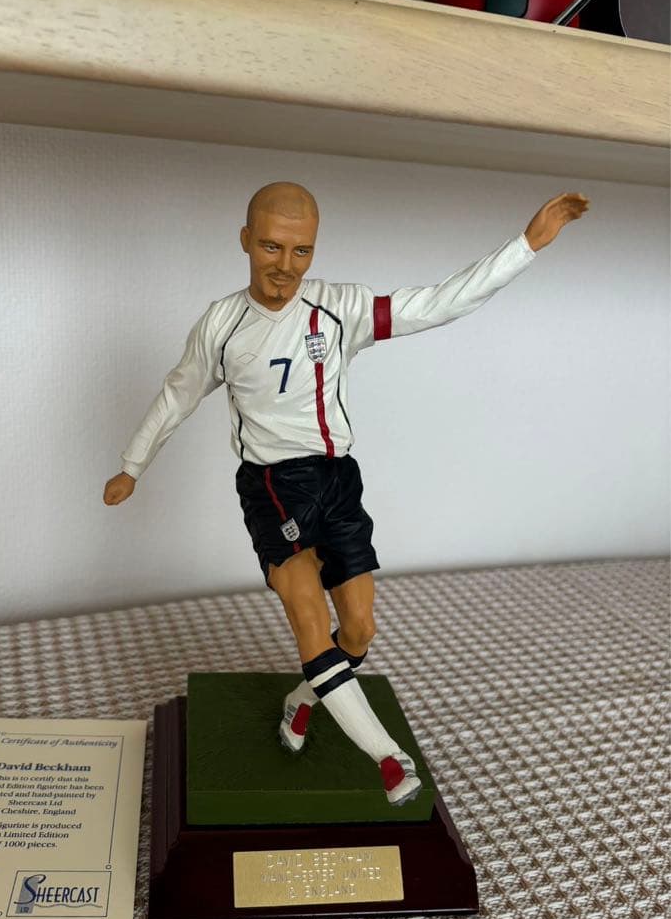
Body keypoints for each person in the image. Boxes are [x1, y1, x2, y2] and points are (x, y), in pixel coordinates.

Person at [103, 182, 590, 805]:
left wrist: (526, 245)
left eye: (301, 250)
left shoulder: (339, 309)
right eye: (271, 247)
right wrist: (133, 464)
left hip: (337, 481)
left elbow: (439, 303)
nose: (285, 266)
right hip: (273, 487)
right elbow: (178, 393)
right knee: (309, 616)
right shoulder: (221, 325)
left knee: (358, 629)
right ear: (245, 240)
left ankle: (302, 701)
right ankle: (389, 758)